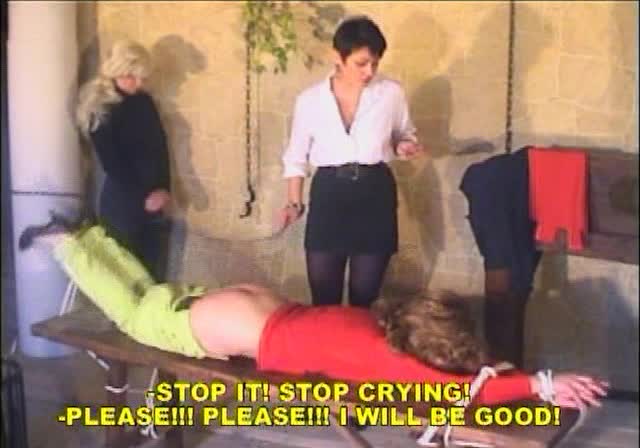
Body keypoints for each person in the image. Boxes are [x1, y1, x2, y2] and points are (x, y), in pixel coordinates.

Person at [19, 215, 607, 410]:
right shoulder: (390, 359)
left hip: (249, 304)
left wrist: (532, 378)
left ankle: (91, 235)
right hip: (230, 323)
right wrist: (543, 384)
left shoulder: (381, 320)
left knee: (146, 294)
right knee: (132, 316)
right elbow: (464, 392)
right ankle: (67, 245)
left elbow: (466, 377)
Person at [280, 16, 424, 308]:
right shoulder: (310, 100)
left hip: (375, 192)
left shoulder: (391, 93)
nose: (369, 71)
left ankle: (358, 338)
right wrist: (293, 203)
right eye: (361, 63)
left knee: (365, 297)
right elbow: (296, 155)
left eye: (375, 64)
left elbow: (402, 134)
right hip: (329, 194)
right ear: (338, 57)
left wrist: (404, 145)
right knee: (324, 298)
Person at [76, 40, 172, 281]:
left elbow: (160, 147)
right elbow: (113, 163)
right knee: (128, 279)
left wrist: (164, 188)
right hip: (123, 202)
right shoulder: (100, 108)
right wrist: (145, 196)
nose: (139, 83)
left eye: (142, 78)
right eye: (132, 77)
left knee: (153, 276)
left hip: (154, 199)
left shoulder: (144, 101)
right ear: (117, 72)